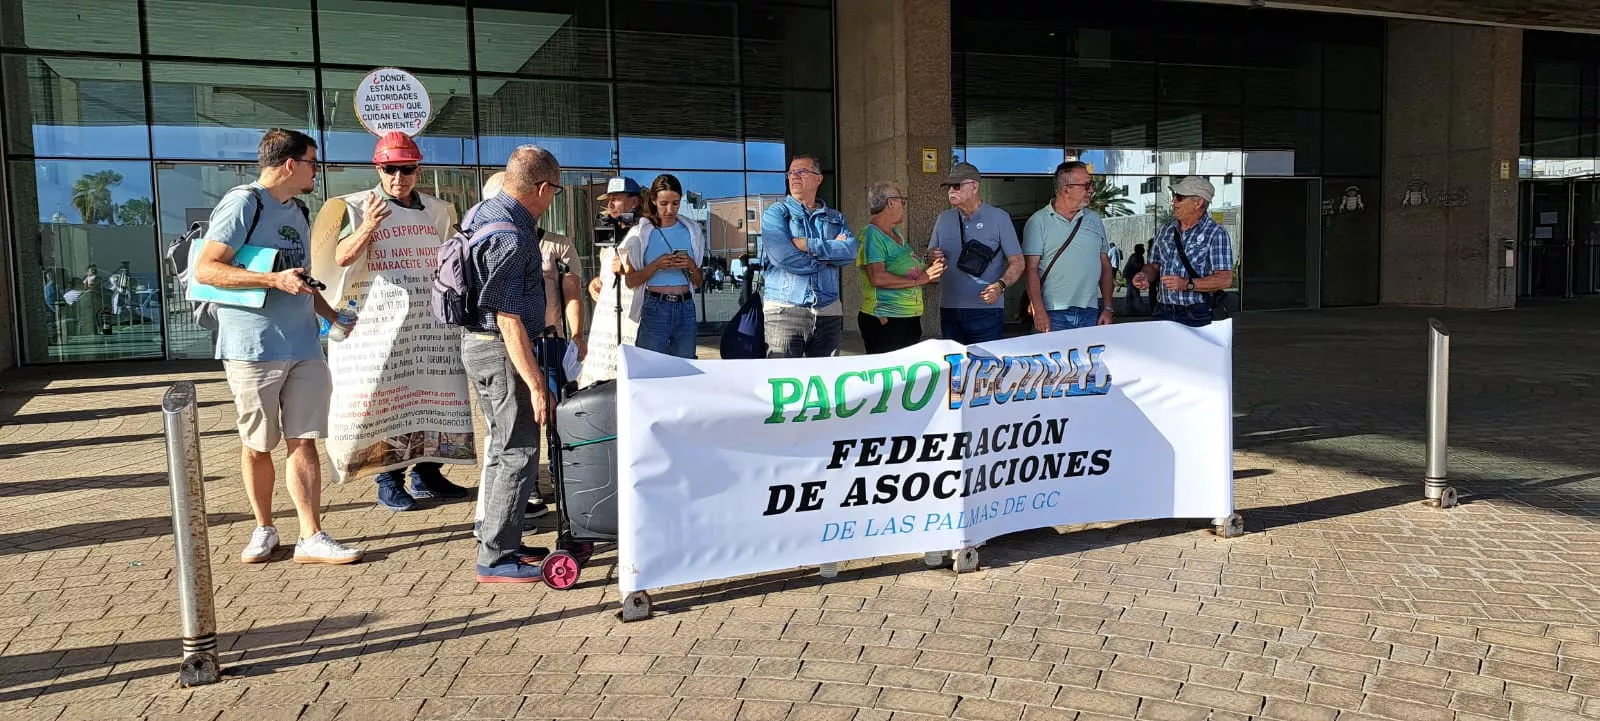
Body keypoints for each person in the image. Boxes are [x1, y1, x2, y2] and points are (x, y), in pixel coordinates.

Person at [192, 128, 361, 565]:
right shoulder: (243, 202)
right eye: (312, 163)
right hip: (253, 346)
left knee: (303, 439)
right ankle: (264, 528)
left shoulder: (299, 211)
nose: (316, 171)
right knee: (258, 443)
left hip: (304, 344)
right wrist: (272, 279)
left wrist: (333, 315)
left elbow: (300, 279)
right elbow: (206, 270)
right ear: (290, 164)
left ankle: (311, 536)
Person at [311, 131, 473, 512]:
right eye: (389, 169)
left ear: (418, 169)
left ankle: (428, 471)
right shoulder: (355, 207)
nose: (398, 178)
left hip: (429, 325)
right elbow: (338, 260)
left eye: (406, 169)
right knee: (386, 401)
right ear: (378, 169)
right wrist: (369, 226)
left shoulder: (436, 210)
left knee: (434, 394)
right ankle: (388, 477)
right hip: (379, 329)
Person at [460, 145, 562, 583]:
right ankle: (498, 556)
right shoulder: (512, 235)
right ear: (541, 187)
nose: (554, 197)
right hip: (499, 349)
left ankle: (502, 539)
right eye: (555, 190)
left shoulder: (483, 214)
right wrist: (537, 383)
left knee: (504, 446)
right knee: (519, 449)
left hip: (482, 345)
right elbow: (507, 317)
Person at [761, 155, 858, 358]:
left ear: (818, 178)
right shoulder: (776, 213)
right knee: (785, 379)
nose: (794, 176)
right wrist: (829, 257)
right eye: (791, 172)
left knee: (825, 381)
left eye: (801, 171)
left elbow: (850, 251)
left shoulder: (835, 217)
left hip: (828, 310)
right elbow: (783, 258)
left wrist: (808, 245)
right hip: (784, 309)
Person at [929, 162, 1022, 344]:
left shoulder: (999, 218)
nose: (950, 191)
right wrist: (930, 257)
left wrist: (1000, 286)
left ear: (974, 187)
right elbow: (930, 258)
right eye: (949, 187)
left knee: (986, 368)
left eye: (956, 186)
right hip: (950, 309)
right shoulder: (944, 219)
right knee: (955, 369)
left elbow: (1018, 262)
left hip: (987, 310)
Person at [620, 174, 706, 359]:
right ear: (653, 200)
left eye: (675, 203)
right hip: (655, 305)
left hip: (686, 306)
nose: (669, 210)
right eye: (663, 203)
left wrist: (690, 265)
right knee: (649, 366)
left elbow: (699, 282)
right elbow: (630, 280)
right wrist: (656, 266)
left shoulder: (692, 231)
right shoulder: (640, 234)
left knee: (685, 368)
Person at [1022, 161, 1114, 332]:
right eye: (1086, 185)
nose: (1091, 190)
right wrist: (1039, 310)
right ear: (1066, 189)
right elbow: (1030, 269)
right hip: (1052, 313)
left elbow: (1105, 266)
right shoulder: (1038, 221)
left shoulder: (1094, 219)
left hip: (1090, 311)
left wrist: (1108, 307)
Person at [1133, 176, 1236, 328]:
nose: (1173, 201)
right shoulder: (1166, 230)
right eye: (1174, 196)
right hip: (1163, 310)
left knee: (1194, 353)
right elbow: (1154, 266)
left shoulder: (1216, 233)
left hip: (1197, 313)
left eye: (1179, 197)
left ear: (1198, 202)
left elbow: (1225, 279)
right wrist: (1144, 275)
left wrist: (1187, 284)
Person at [857, 180, 942, 353]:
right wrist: (922, 279)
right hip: (886, 320)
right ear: (890, 202)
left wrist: (928, 259)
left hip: (907, 319)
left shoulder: (895, 233)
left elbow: (905, 267)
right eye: (902, 201)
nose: (904, 206)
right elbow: (877, 277)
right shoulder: (872, 235)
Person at [1122, 243, 1148, 315]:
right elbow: (1137, 266)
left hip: (1132, 276)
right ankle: (1140, 308)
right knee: (1134, 292)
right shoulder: (1135, 257)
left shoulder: (1138, 256)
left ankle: (1129, 308)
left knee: (1131, 292)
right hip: (1130, 276)